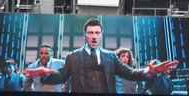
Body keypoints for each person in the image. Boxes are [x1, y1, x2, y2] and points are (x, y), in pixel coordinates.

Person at [20, 18, 178, 94]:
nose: (94, 36)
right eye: (90, 33)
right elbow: (61, 76)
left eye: (97, 33)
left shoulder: (110, 57)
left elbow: (129, 73)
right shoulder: (72, 56)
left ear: (101, 35)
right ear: (85, 36)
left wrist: (150, 71)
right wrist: (45, 75)